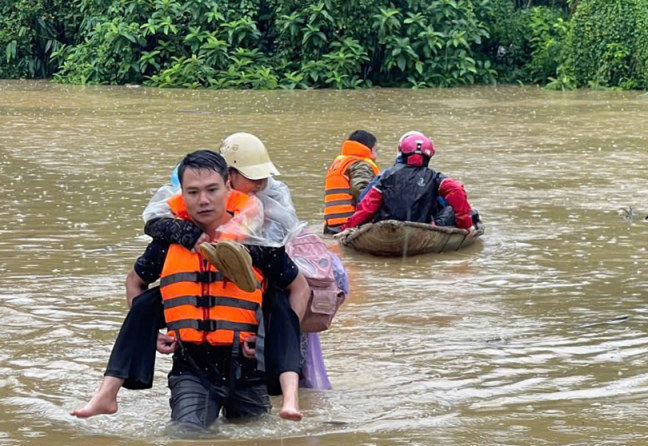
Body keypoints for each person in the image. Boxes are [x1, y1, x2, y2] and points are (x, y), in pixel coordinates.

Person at [72, 150, 308, 427]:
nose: (203, 200)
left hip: (247, 366)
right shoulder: (169, 241)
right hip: (192, 365)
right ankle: (107, 394)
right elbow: (134, 282)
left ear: (228, 187)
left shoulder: (257, 241)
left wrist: (267, 342)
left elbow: (300, 288)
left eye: (211, 190)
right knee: (187, 438)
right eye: (193, 192)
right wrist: (154, 333)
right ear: (181, 194)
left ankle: (291, 396)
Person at [343, 131, 477, 232]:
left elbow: (367, 207)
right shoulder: (435, 177)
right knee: (452, 209)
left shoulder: (386, 175)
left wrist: (347, 227)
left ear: (402, 153)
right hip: (423, 226)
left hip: (386, 225)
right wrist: (466, 224)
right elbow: (457, 190)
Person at [323, 130, 380, 234]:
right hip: (349, 225)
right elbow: (362, 192)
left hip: (331, 226)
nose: (376, 156)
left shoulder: (340, 163)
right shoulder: (360, 164)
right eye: (376, 150)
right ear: (368, 149)